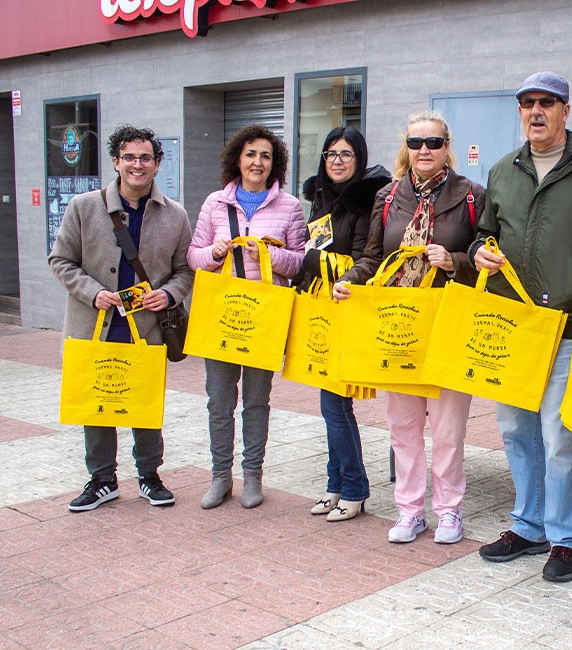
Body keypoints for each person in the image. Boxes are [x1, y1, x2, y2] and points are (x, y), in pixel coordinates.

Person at [471, 72, 572, 581]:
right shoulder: (501, 171)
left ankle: (566, 539)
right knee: (515, 430)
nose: (535, 112)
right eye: (527, 104)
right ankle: (528, 525)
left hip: (568, 324)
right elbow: (483, 233)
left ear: (565, 110)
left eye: (546, 103)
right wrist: (478, 252)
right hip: (511, 325)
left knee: (560, 437)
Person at [333, 111, 485, 540]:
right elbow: (373, 257)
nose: (424, 151)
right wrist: (349, 280)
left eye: (433, 143)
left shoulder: (472, 195)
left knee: (449, 429)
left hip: (446, 322)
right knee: (402, 426)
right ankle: (410, 509)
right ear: (407, 146)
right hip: (398, 323)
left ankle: (450, 509)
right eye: (416, 143)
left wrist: (454, 261)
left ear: (446, 147)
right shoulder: (388, 196)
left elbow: (487, 257)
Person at [49, 124, 194, 512]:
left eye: (145, 157)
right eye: (129, 157)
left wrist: (169, 294)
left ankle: (149, 475)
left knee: (145, 404)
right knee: (96, 403)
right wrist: (93, 292)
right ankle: (102, 479)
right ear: (116, 162)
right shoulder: (84, 207)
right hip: (94, 326)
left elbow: (185, 271)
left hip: (146, 329)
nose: (137, 164)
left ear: (157, 163)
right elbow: (60, 260)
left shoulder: (175, 215)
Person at [187, 124, 306, 509]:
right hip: (221, 313)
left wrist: (271, 257)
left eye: (266, 156)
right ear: (238, 158)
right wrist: (214, 254)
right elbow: (193, 256)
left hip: (264, 318)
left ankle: (253, 474)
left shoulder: (289, 207)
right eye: (251, 154)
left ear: (275, 164)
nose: (258, 162)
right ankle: (220, 476)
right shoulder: (214, 203)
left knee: (257, 401)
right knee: (219, 401)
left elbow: (301, 262)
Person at [298, 127, 391, 521]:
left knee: (336, 405)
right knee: (329, 404)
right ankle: (335, 485)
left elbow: (360, 264)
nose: (337, 160)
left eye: (346, 154)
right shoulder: (320, 198)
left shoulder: (368, 201)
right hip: (319, 309)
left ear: (360, 159)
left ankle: (354, 488)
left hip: (348, 308)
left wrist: (306, 260)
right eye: (330, 153)